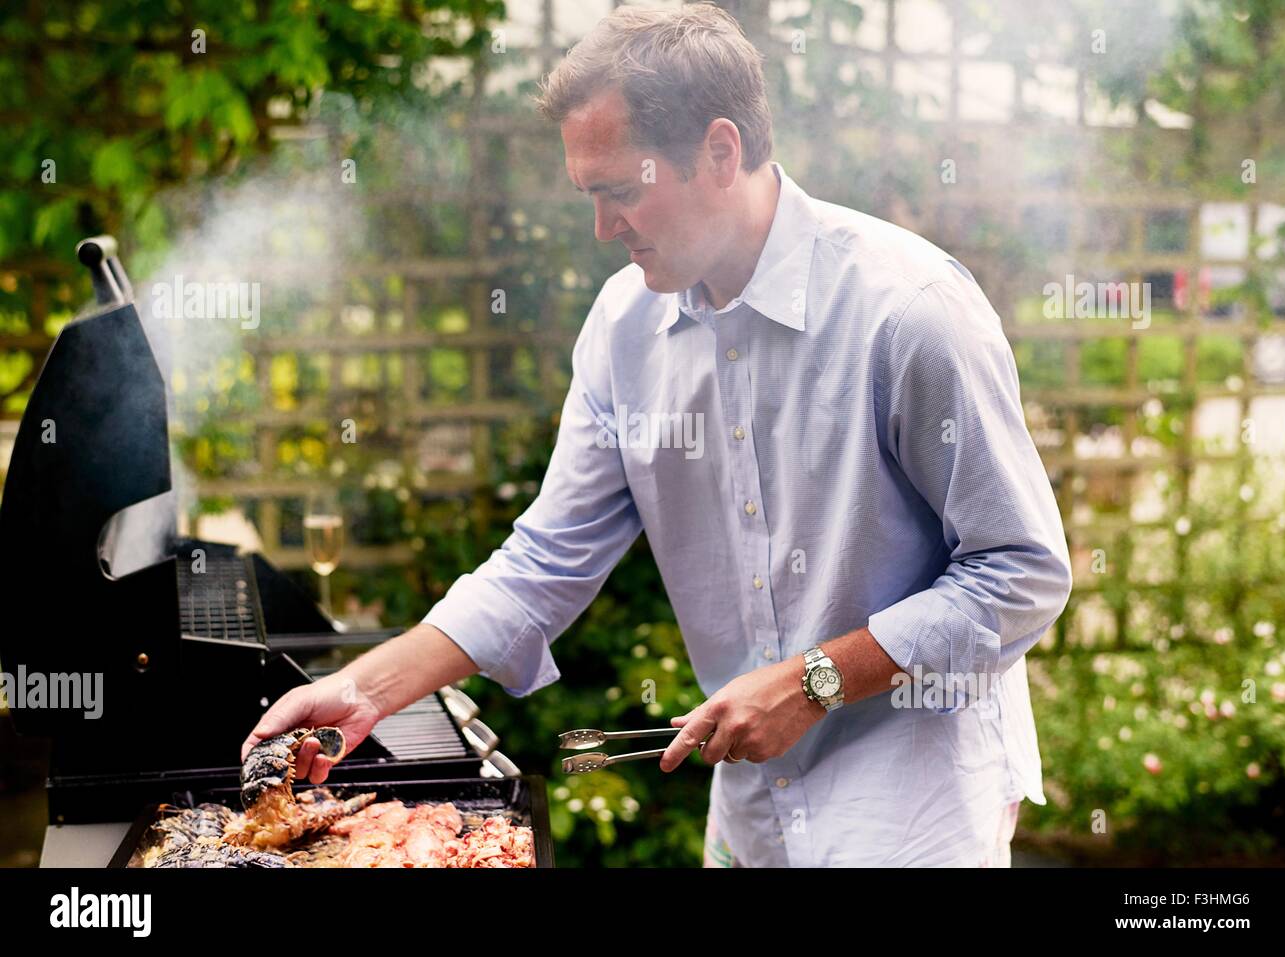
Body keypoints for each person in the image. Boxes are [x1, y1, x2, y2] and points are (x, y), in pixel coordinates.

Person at [242, 2, 1072, 867]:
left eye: (622, 191)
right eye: (590, 196)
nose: (604, 228)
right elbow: (544, 564)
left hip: (916, 795)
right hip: (757, 798)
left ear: (721, 151)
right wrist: (364, 688)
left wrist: (813, 680)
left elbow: (1021, 572)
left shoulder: (909, 313)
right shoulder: (622, 329)